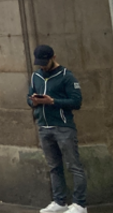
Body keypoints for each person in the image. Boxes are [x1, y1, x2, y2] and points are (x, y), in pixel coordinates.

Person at [29, 45, 87, 213]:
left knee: (74, 165)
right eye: (39, 63)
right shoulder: (36, 76)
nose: (42, 66)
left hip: (63, 127)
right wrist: (33, 101)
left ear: (53, 57)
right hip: (44, 126)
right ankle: (59, 201)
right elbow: (29, 96)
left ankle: (80, 204)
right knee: (54, 166)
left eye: (45, 62)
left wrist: (53, 101)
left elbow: (76, 102)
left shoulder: (66, 77)